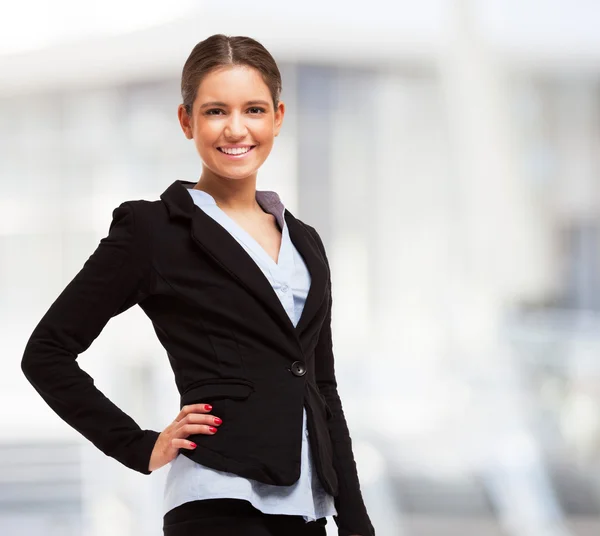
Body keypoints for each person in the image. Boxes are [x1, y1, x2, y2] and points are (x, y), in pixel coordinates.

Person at [21, 34, 375, 536]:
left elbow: (322, 387)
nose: (236, 129)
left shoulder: (306, 243)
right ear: (186, 121)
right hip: (218, 499)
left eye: (253, 109)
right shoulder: (153, 231)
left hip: (306, 508)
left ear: (277, 116)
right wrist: (139, 445)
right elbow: (46, 352)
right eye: (215, 111)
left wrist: (356, 522)